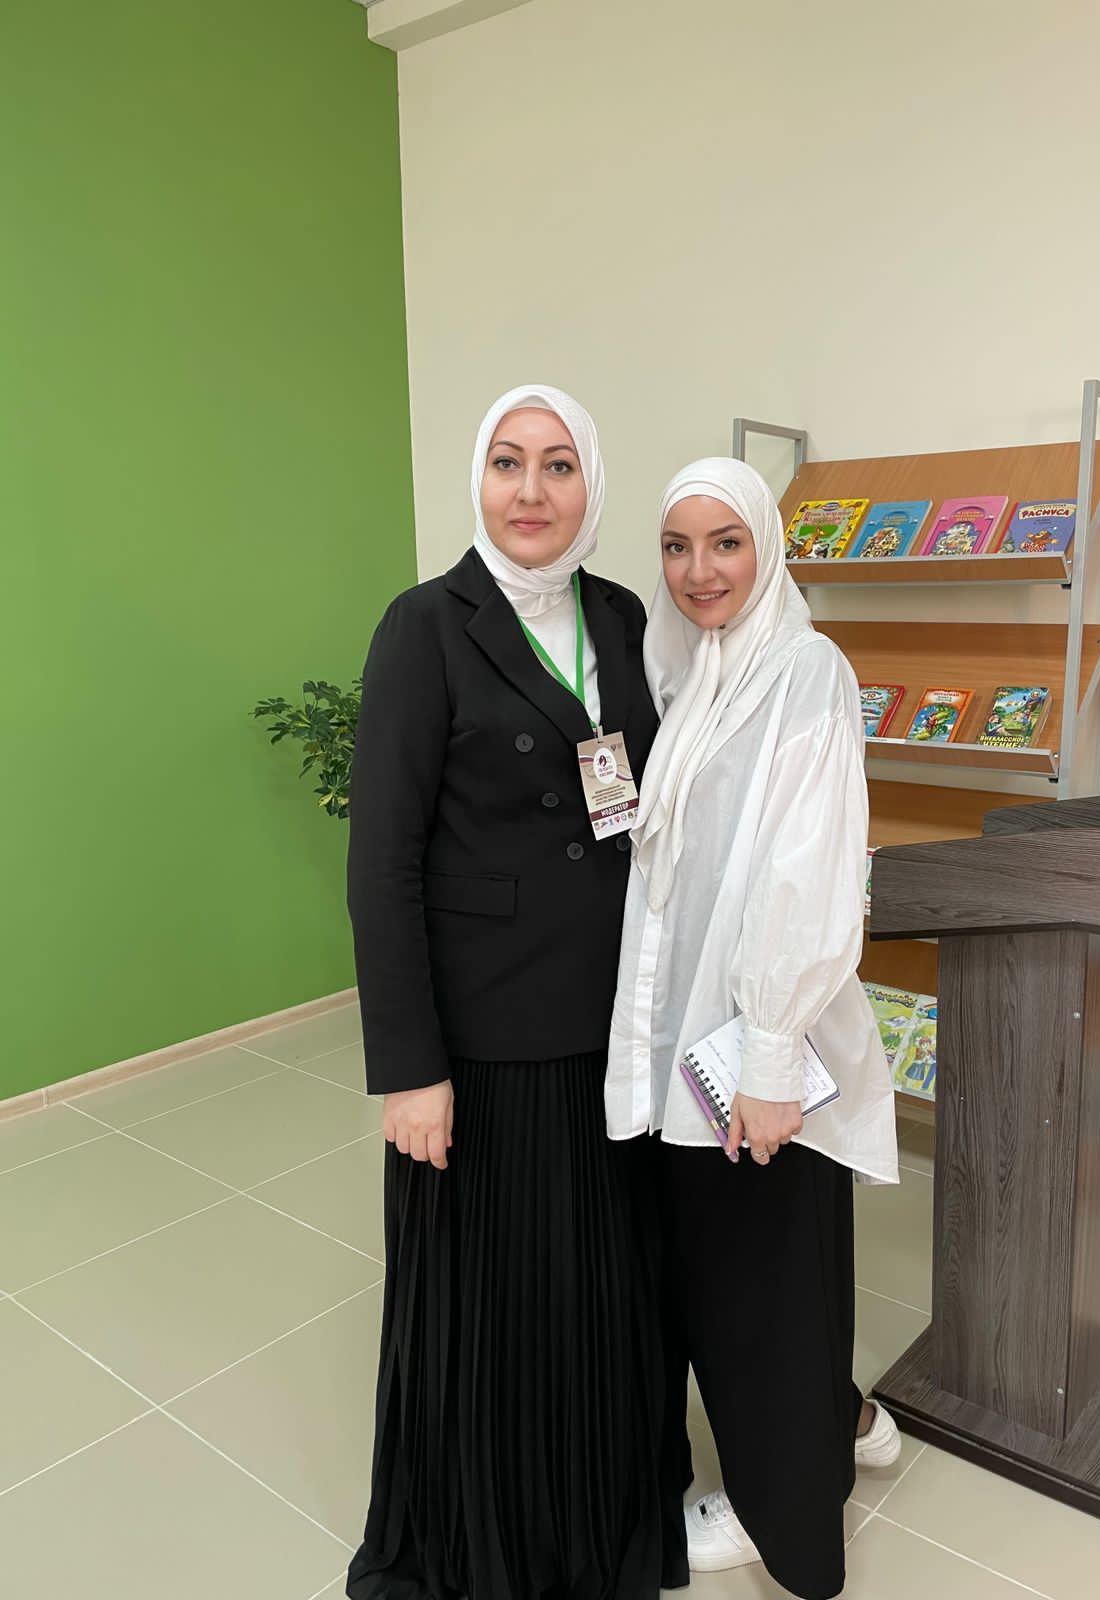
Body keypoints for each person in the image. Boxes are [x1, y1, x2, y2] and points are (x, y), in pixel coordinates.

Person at [345, 385, 676, 1600]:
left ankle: (595, 1525)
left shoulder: (623, 614)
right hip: (482, 1037)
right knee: (492, 1308)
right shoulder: (425, 625)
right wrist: (409, 1068)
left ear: (592, 484)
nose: (531, 491)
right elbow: (382, 863)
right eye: (506, 462)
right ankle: (480, 1549)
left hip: (610, 1020)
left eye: (557, 465)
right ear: (478, 480)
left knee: (597, 1289)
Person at [606, 457, 902, 1600]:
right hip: (698, 1036)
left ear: (766, 548)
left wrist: (772, 1053)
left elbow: (808, 870)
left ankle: (783, 1508)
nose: (699, 570)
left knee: (756, 1286)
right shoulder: (694, 670)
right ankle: (846, 1422)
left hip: (756, 1051)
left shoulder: (803, 668)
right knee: (768, 1269)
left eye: (724, 542)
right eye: (677, 546)